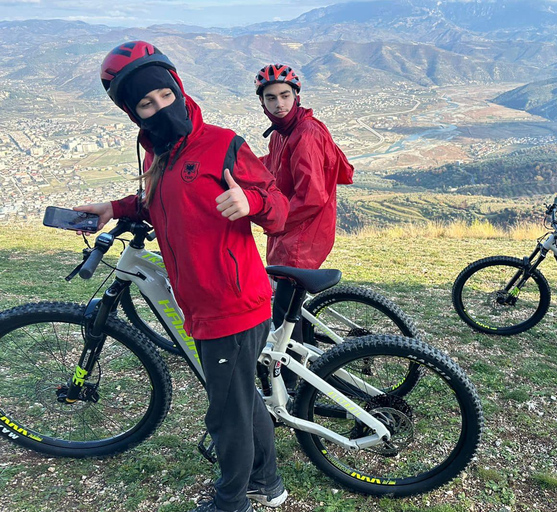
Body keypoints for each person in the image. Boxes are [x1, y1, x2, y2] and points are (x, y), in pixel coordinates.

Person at [76, 41, 290, 512]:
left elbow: (278, 210)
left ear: (177, 87)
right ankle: (268, 483)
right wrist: (114, 208)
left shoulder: (223, 144)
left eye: (164, 96)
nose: (159, 108)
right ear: (134, 113)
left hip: (231, 305)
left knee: (226, 415)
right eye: (145, 104)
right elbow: (157, 199)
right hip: (204, 304)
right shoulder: (160, 153)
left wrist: (250, 203)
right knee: (242, 399)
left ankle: (232, 500)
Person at [254, 63, 354, 348]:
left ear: (296, 95)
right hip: (294, 226)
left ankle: (291, 375)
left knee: (283, 310)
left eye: (284, 95)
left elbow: (311, 197)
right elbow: (272, 167)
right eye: (270, 97)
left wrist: (269, 216)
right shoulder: (280, 133)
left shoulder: (306, 134)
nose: (279, 104)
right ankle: (300, 353)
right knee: (290, 301)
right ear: (262, 101)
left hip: (305, 231)